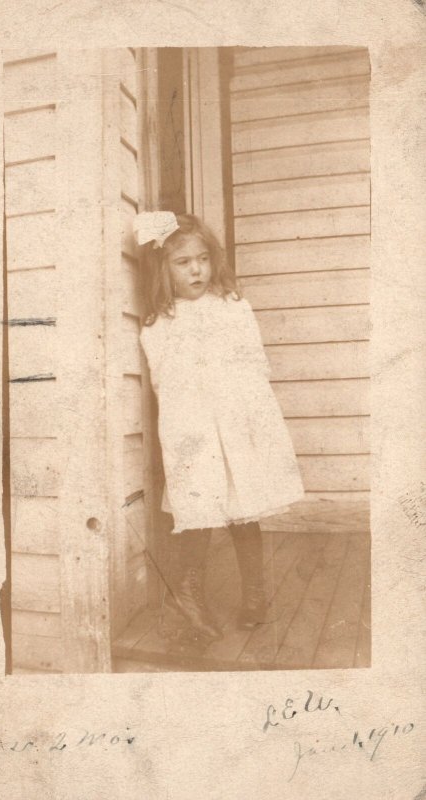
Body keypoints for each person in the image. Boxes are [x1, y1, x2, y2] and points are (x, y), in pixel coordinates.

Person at [134, 211, 305, 642]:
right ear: (163, 270)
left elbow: (254, 367)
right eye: (183, 262)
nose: (196, 270)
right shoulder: (159, 325)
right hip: (194, 431)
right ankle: (187, 592)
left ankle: (254, 595)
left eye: (203, 259)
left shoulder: (233, 309)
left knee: (244, 512)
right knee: (198, 510)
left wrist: (251, 423)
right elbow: (166, 385)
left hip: (237, 423)